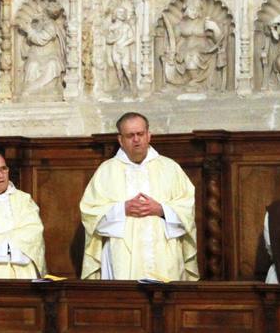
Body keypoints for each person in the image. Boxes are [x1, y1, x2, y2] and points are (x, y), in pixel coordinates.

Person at [80, 112, 198, 281]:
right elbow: (90, 212)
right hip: (121, 255)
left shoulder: (170, 168)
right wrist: (122, 209)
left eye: (140, 134)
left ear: (149, 135)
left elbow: (188, 208)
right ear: (120, 140)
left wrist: (162, 209)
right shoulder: (106, 171)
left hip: (164, 254)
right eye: (130, 135)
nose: (136, 139)